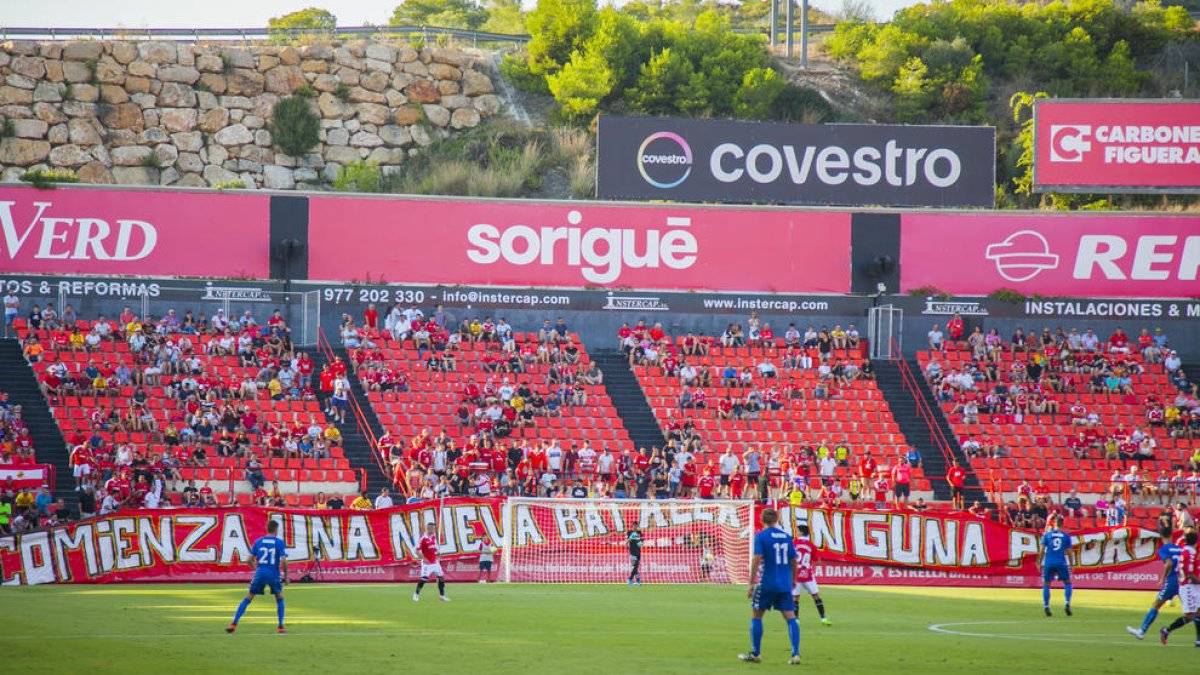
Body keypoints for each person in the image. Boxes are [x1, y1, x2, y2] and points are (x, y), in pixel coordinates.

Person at [739, 507, 801, 665]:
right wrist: (793, 579)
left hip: (767, 583)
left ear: (762, 520)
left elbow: (757, 559)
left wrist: (751, 583)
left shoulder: (761, 536)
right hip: (784, 584)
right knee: (791, 618)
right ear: (776, 519)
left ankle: (756, 653)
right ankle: (795, 654)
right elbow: (794, 561)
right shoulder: (787, 537)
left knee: (757, 616)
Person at [226, 520, 288, 634]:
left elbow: (249, 560)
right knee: (279, 598)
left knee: (248, 598)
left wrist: (257, 569)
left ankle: (234, 623)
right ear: (275, 529)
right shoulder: (279, 542)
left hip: (260, 573)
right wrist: (287, 576)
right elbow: (283, 560)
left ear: (267, 528)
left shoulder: (258, 541)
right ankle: (281, 626)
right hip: (274, 574)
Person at [1126, 526, 1183, 639]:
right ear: (1171, 535)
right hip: (1183, 582)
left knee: (1156, 604)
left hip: (1172, 582)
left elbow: (1169, 564)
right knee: (1193, 611)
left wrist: (1163, 578)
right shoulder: (1179, 548)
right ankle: (1198, 639)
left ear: (1161, 537)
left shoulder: (1163, 549)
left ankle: (1142, 631)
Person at [1157, 530, 1199, 646]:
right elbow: (1190, 574)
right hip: (1189, 587)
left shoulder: (1185, 551)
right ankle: (1167, 630)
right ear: (1196, 542)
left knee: (1197, 613)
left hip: (1190, 586)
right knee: (1190, 616)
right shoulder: (1190, 553)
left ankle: (1198, 640)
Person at [791, 525, 831, 627]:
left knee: (795, 598)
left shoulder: (793, 543)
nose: (797, 532)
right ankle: (823, 618)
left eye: (798, 531)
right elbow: (818, 562)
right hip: (808, 575)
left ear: (800, 532)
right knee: (816, 596)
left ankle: (796, 620)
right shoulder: (811, 545)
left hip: (796, 575)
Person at [1040, 515, 1075, 617]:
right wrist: (1072, 565)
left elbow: (1042, 551)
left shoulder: (1047, 535)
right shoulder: (1066, 536)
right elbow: (1069, 552)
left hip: (1049, 562)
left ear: (1054, 523)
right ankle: (1067, 603)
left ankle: (1046, 606)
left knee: (1047, 584)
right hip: (1061, 562)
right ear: (1062, 524)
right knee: (1067, 582)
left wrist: (1039, 562)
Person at [413, 522, 450, 602]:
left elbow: (435, 547)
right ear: (429, 528)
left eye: (434, 528)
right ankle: (416, 594)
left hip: (435, 562)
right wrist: (423, 558)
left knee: (441, 578)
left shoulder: (433, 537)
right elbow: (416, 551)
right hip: (427, 564)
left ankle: (442, 596)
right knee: (424, 579)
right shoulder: (423, 539)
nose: (434, 530)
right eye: (433, 528)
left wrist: (438, 553)